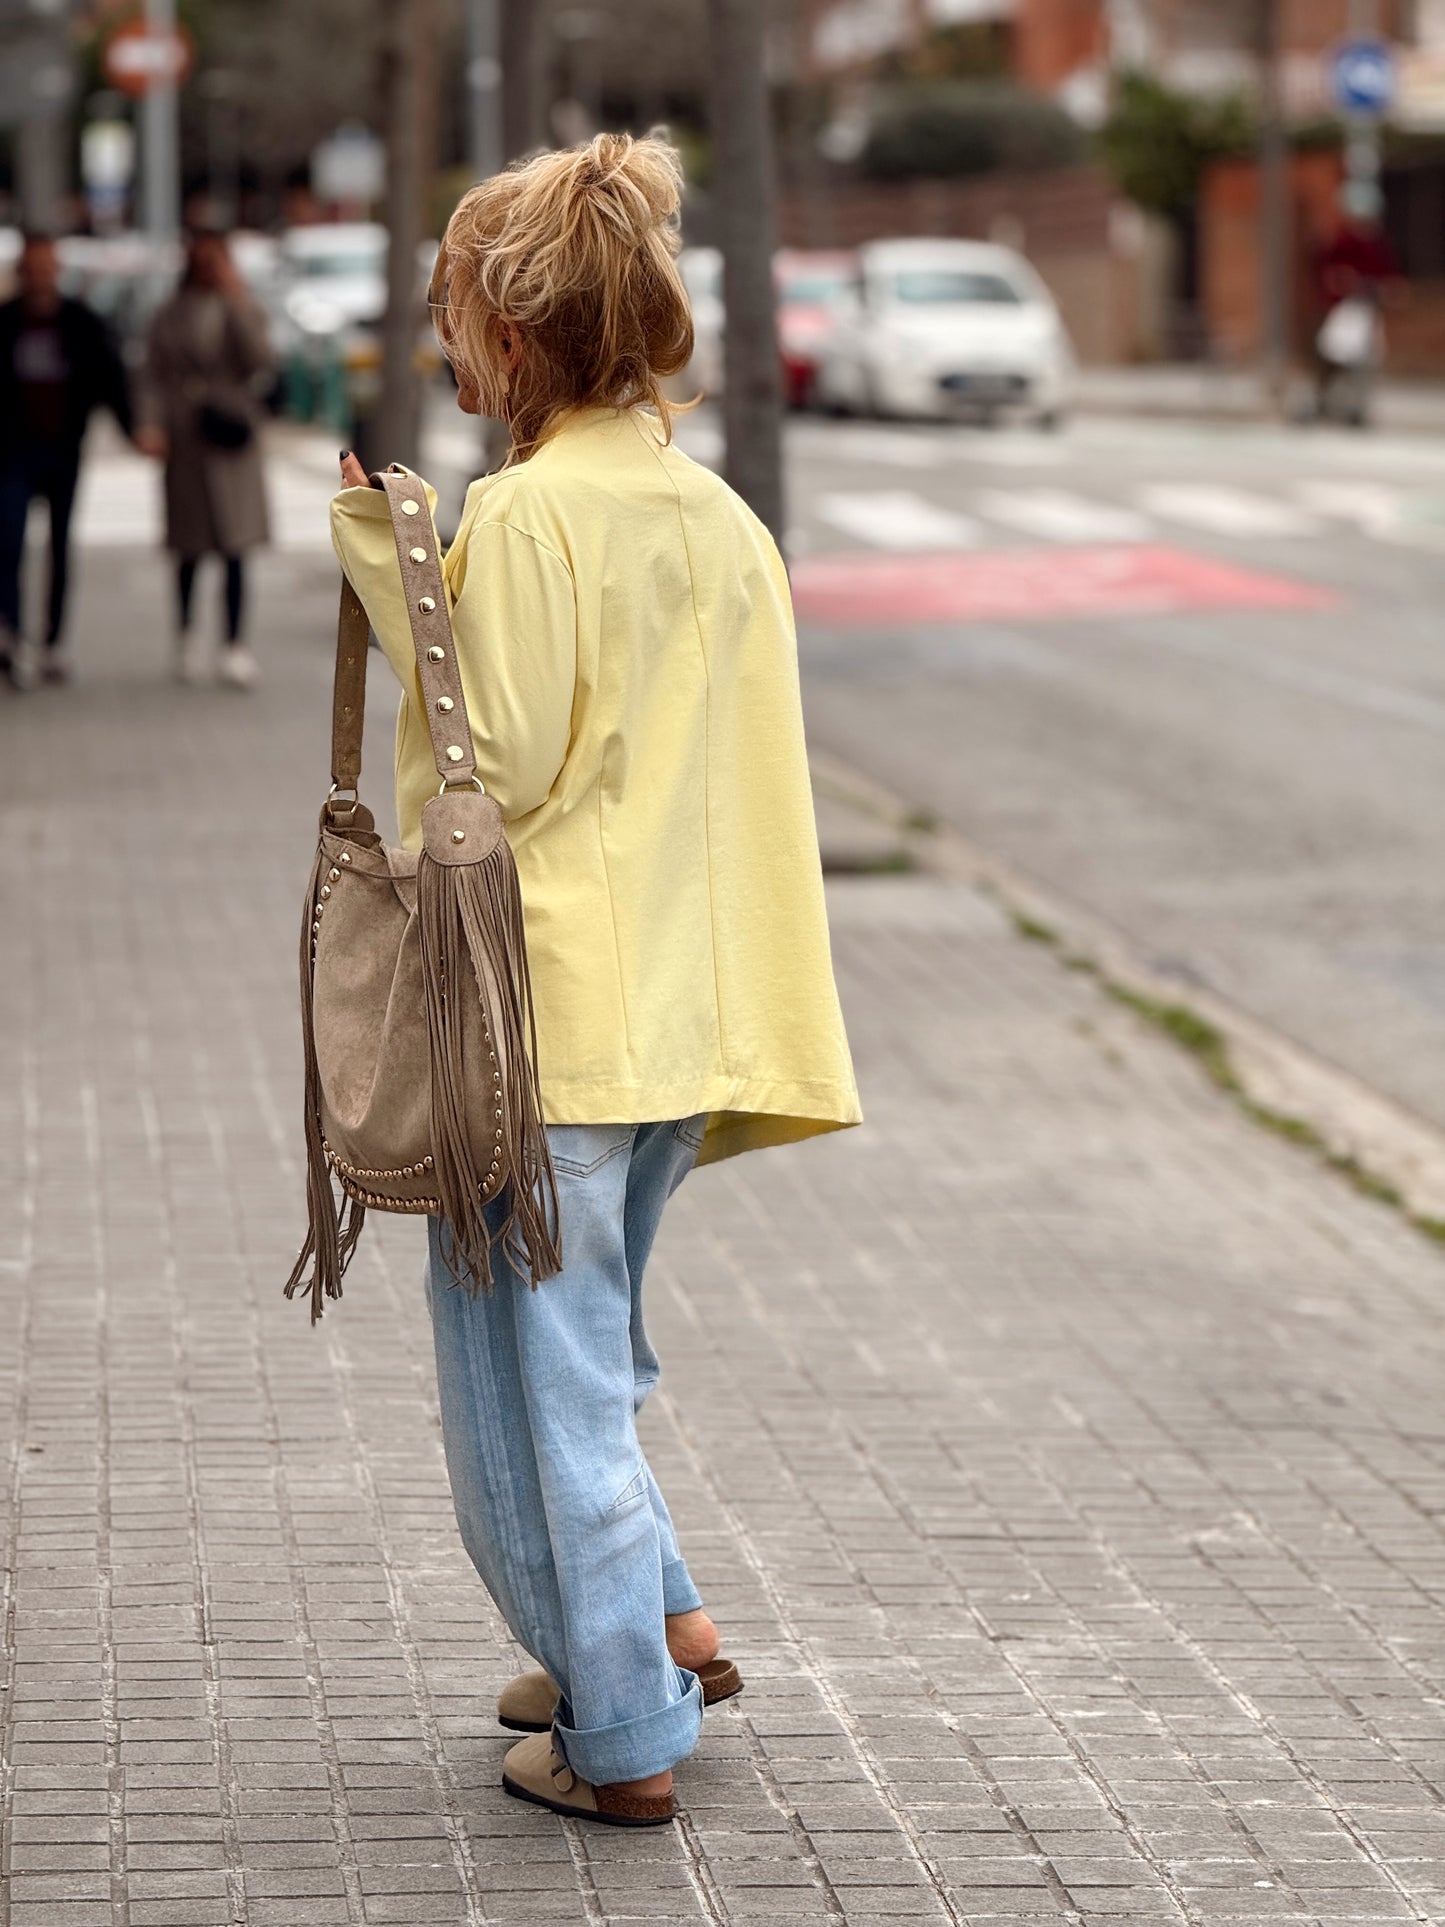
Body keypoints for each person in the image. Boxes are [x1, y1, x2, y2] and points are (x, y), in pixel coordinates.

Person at [331, 131, 860, 1827]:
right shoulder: (719, 520)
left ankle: (622, 1730)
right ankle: (650, 1622)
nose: (445, 349)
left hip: (544, 1024)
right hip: (684, 1025)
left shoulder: (531, 513)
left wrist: (387, 569)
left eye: (455, 319)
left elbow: (501, 765)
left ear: (506, 336)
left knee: (523, 1404)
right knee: (592, 1368)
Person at [0, 231, 136, 689]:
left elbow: (110, 379)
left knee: (60, 547)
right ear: (21, 273)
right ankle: (14, 637)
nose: (39, 277)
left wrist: (135, 430)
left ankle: (53, 643)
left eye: (47, 268)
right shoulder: (7, 323)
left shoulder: (81, 323)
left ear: (56, 272)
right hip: (12, 455)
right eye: (32, 268)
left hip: (63, 451)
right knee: (8, 545)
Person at [139, 229, 274, 687]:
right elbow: (151, 375)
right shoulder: (169, 313)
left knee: (237, 546)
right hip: (188, 440)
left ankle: (235, 644)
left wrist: (236, 296)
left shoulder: (241, 306)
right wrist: (151, 424)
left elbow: (261, 358)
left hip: (232, 438)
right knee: (188, 546)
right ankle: (186, 637)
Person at [1311, 181, 1403, 427]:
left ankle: (1357, 406)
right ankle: (1323, 401)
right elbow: (1331, 276)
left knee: (1366, 360)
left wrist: (1387, 290)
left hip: (1367, 311)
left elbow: (1389, 278)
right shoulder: (1342, 241)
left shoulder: (1376, 243)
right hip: (1344, 310)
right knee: (1333, 353)